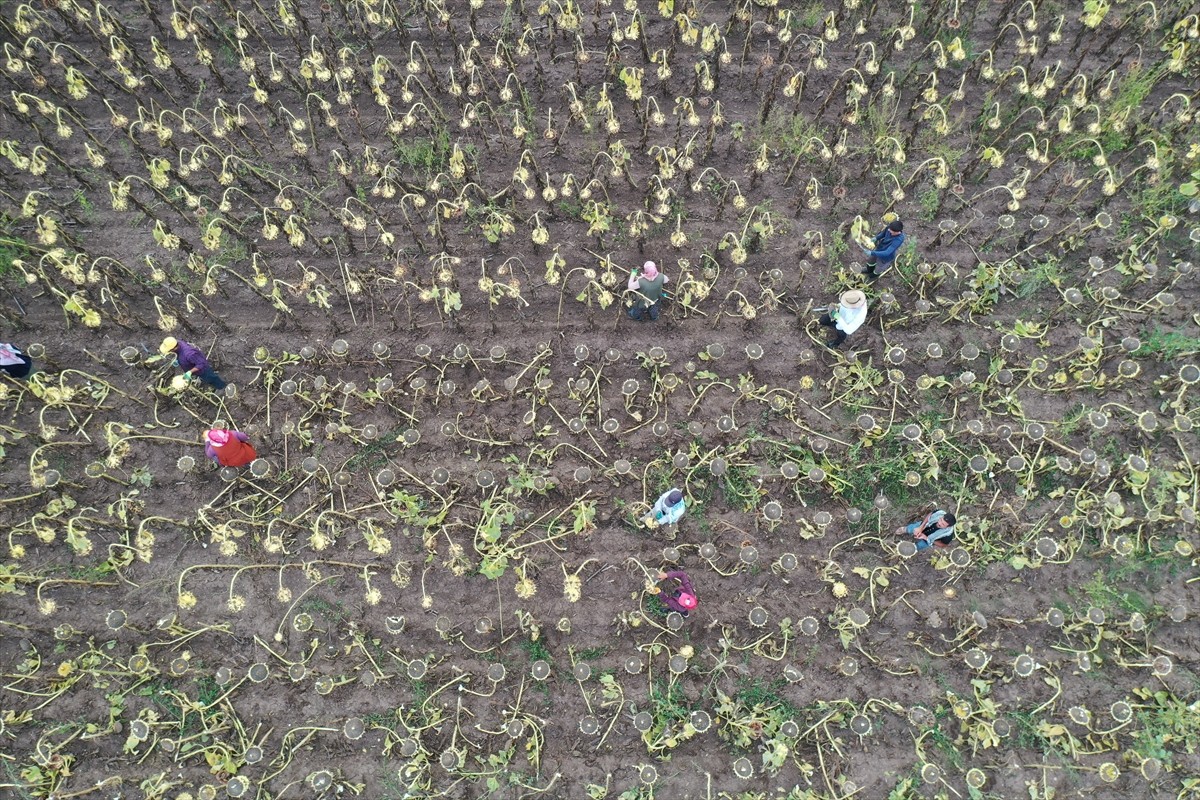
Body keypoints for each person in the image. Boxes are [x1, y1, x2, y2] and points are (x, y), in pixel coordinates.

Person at [160, 337, 227, 390]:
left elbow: (201, 364)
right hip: (191, 363)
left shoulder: (189, 354)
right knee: (207, 379)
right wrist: (177, 360)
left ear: (174, 348)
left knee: (211, 378)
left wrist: (190, 372)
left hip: (203, 370)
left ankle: (222, 387)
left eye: (169, 351)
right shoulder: (177, 342)